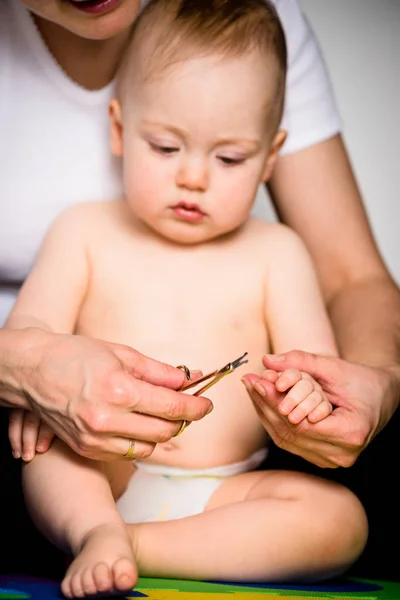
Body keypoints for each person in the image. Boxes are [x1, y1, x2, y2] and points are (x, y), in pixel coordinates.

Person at [0, 0, 398, 581]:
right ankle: (93, 526)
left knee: (340, 520)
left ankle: (127, 545)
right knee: (50, 457)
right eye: (166, 148)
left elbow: (314, 366)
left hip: (227, 491)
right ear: (119, 128)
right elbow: (28, 335)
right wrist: (37, 389)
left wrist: (308, 401)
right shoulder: (83, 231)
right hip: (104, 468)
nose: (194, 177)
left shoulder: (278, 252)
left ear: (270, 158)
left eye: (231, 157)